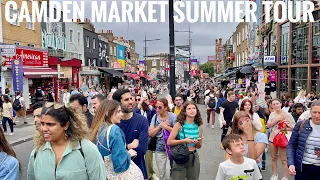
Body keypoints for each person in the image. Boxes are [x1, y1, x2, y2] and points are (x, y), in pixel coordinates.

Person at [27, 102, 106, 180]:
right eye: (42, 124)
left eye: (50, 124)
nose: (44, 129)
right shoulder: (37, 153)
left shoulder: (86, 150)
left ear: (65, 125)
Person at [90, 100, 139, 176]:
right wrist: (128, 154)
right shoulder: (114, 130)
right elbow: (120, 165)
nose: (121, 114)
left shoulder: (97, 128)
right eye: (118, 111)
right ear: (107, 113)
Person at [112, 89, 149, 179]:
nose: (131, 102)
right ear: (117, 103)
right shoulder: (113, 122)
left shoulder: (141, 120)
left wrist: (121, 151)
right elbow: (111, 152)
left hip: (138, 171)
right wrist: (129, 146)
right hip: (118, 173)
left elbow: (142, 149)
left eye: (131, 98)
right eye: (126, 100)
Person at [167, 101, 203, 180]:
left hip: (193, 156)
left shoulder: (199, 126)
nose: (192, 110)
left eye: (194, 108)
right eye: (189, 109)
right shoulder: (179, 124)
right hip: (180, 155)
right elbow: (169, 142)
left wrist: (197, 142)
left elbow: (199, 146)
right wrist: (184, 141)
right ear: (185, 112)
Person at [287, 100, 320, 180]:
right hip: (303, 168)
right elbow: (291, 145)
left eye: (319, 113)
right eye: (314, 112)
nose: (317, 115)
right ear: (310, 112)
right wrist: (291, 163)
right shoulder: (301, 125)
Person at [267, 99, 296, 180]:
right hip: (272, 138)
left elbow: (294, 127)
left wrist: (283, 129)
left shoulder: (287, 115)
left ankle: (285, 176)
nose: (276, 105)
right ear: (271, 105)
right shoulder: (272, 114)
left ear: (281, 104)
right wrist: (277, 119)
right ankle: (274, 175)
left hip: (282, 138)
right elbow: (268, 125)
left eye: (277, 103)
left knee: (284, 159)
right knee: (273, 158)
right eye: (274, 104)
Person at [149, 98, 176, 180]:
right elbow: (150, 133)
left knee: (173, 171)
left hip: (172, 148)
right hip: (159, 148)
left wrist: (166, 127)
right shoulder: (155, 117)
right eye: (156, 107)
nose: (157, 109)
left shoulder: (173, 117)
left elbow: (178, 132)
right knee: (161, 173)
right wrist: (160, 126)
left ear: (166, 107)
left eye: (160, 107)